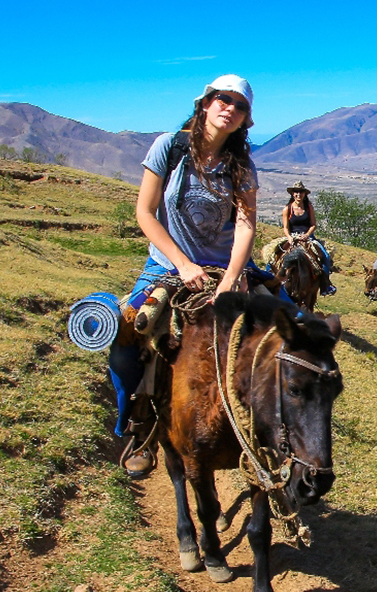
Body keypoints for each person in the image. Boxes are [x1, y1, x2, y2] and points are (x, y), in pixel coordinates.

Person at [109, 74, 260, 479]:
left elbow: (246, 224)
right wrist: (182, 264)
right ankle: (137, 426)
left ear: (245, 119)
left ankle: (270, 437)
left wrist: (231, 278)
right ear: (205, 103)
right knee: (128, 336)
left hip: (226, 269)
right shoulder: (169, 147)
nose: (230, 108)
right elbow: (145, 213)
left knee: (287, 336)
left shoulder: (241, 165)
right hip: (167, 267)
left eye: (240, 105)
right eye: (223, 99)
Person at [280, 181, 335, 295]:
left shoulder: (308, 208)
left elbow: (313, 224)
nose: (298, 195)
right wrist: (289, 237)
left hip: (308, 237)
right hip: (292, 236)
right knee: (273, 255)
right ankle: (271, 279)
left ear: (304, 194)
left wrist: (307, 235)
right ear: (292, 194)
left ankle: (325, 285)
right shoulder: (287, 209)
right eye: (296, 192)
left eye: (301, 192)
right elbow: (285, 227)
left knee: (325, 256)